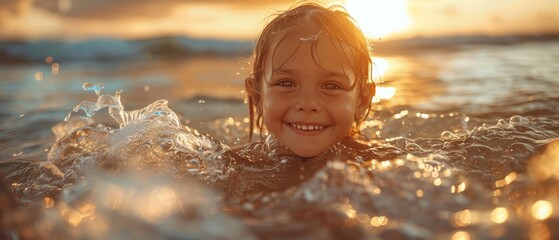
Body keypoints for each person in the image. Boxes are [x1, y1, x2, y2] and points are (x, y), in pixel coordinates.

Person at [242, 2, 376, 158]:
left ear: (362, 101)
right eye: (286, 84)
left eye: (331, 86)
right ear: (257, 96)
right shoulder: (233, 165)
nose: (307, 104)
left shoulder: (380, 166)